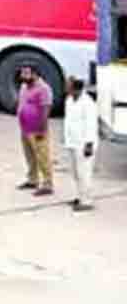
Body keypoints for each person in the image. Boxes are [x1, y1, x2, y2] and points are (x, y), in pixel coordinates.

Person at [16, 64, 54, 196]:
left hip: (37, 129)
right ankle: (33, 180)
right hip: (25, 128)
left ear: (35, 74)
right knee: (29, 156)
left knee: (42, 156)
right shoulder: (23, 87)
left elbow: (45, 110)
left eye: (26, 73)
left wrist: (42, 130)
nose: (23, 76)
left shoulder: (44, 89)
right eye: (22, 73)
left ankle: (48, 184)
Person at [63, 77, 99, 212]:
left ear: (75, 88)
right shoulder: (69, 101)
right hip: (72, 142)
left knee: (84, 173)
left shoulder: (88, 103)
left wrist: (88, 145)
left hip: (84, 144)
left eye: (68, 86)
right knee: (76, 173)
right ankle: (79, 196)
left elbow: (91, 125)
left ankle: (87, 201)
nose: (66, 88)